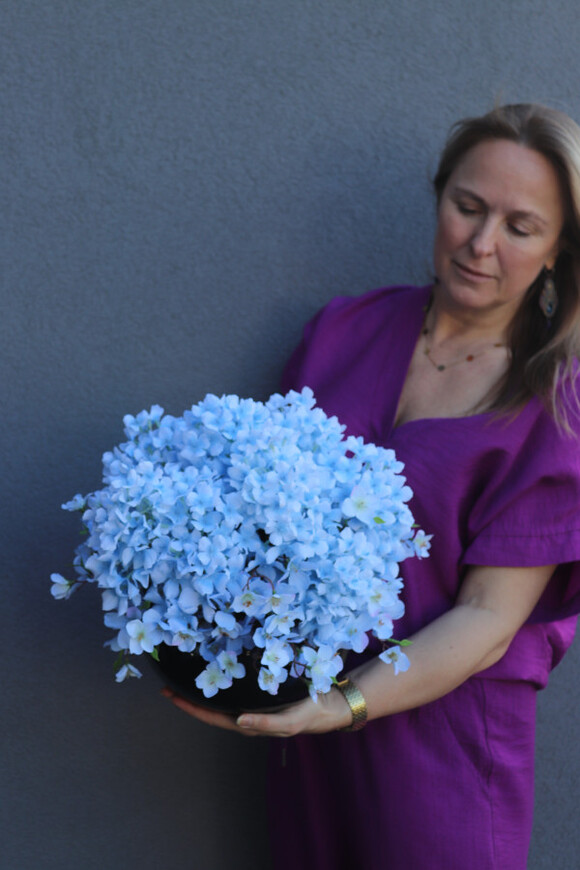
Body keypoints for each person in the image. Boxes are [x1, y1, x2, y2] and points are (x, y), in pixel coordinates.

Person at [164, 103, 580, 869]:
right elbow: (260, 519)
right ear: (439, 196)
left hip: (445, 742)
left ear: (559, 249)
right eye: (468, 206)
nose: (481, 243)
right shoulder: (345, 331)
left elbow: (490, 617)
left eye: (521, 227)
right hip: (309, 726)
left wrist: (343, 704)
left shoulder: (552, 403)